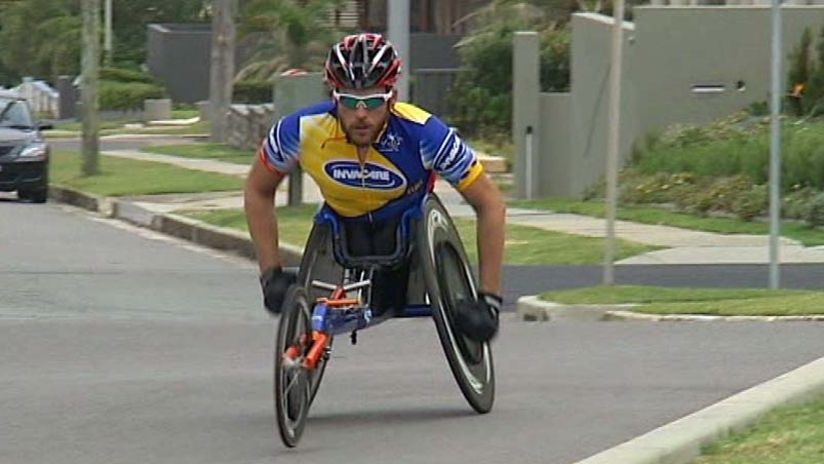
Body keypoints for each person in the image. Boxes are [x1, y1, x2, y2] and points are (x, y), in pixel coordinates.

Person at [244, 33, 506, 342]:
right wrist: (270, 273)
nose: (361, 115)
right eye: (350, 102)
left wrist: (489, 299)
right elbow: (258, 190)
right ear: (334, 97)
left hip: (408, 227)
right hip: (344, 224)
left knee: (393, 294)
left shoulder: (426, 134)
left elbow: (490, 204)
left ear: (392, 98)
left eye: (372, 102)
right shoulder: (298, 131)